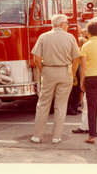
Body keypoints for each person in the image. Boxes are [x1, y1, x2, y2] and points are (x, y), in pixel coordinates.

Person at [30, 14, 80, 144]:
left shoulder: (43, 37)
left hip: (48, 71)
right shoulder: (70, 38)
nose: (68, 25)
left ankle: (37, 135)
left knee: (43, 104)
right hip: (65, 71)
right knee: (61, 105)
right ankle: (56, 137)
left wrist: (43, 70)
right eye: (67, 23)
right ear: (62, 24)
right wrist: (73, 73)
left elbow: (36, 58)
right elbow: (76, 58)